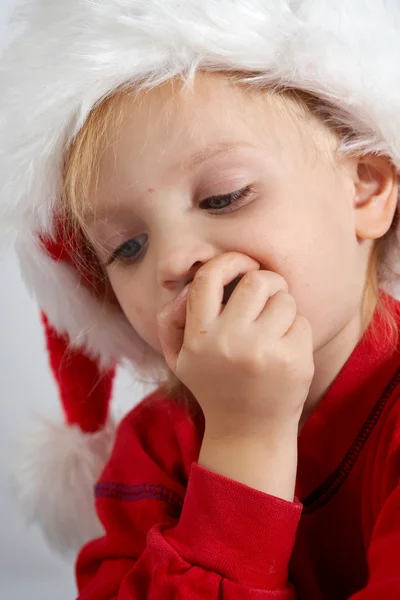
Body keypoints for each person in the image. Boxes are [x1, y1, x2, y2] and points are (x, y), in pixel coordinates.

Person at [1, 0, 400, 598]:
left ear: (365, 186)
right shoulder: (153, 449)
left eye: (223, 198)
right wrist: (244, 445)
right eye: (128, 246)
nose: (171, 260)